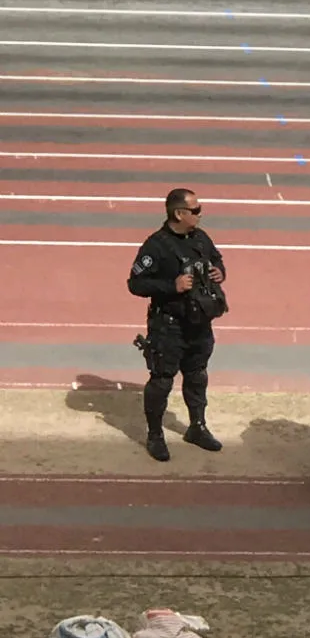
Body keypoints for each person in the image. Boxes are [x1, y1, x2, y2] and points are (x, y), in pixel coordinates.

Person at [127, 188, 228, 462]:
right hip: (168, 326)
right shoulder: (156, 245)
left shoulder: (200, 237)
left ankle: (197, 426)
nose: (200, 213)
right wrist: (171, 286)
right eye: (195, 210)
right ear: (178, 213)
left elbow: (216, 258)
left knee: (197, 375)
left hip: (199, 322)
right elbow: (135, 283)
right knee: (161, 381)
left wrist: (220, 272)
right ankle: (155, 434)